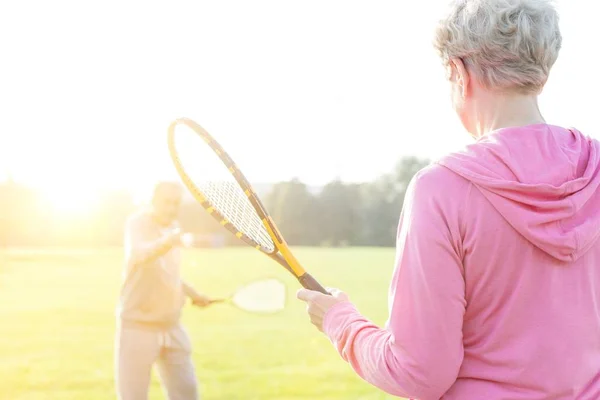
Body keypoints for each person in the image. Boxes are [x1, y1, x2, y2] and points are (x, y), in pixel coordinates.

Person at [298, 0, 600, 399]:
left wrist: (341, 322)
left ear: (459, 72)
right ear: (541, 73)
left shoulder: (442, 189)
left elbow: (418, 373)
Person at [115, 181, 211, 400]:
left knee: (187, 394)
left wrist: (193, 293)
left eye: (176, 203)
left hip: (171, 325)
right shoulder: (137, 223)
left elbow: (169, 274)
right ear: (153, 201)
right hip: (138, 326)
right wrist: (169, 241)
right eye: (166, 202)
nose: (171, 208)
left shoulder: (172, 228)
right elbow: (140, 255)